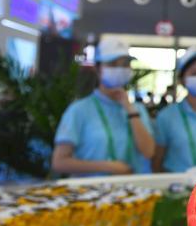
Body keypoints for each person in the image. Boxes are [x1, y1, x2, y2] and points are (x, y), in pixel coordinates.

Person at [51, 37, 155, 176]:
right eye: (113, 64)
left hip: (130, 187)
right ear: (98, 69)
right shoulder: (80, 110)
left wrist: (130, 111)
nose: (120, 69)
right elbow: (59, 162)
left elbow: (148, 152)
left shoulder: (137, 109)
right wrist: (107, 167)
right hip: (91, 187)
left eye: (125, 64)